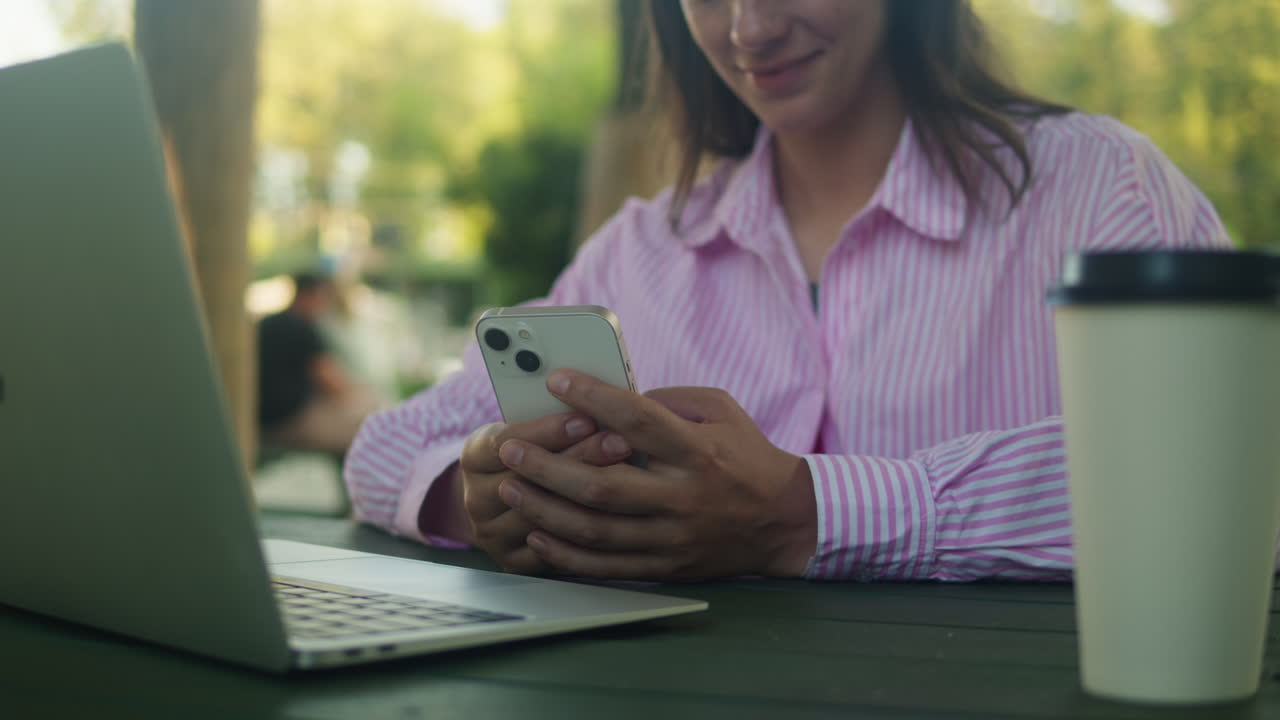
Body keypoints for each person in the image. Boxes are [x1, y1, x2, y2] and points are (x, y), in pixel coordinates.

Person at [345, 0, 1228, 581]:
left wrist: (807, 512)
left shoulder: (1096, 188)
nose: (749, 28)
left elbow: (1227, 470)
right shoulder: (643, 253)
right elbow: (384, 448)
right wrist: (481, 498)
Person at [258, 272, 377, 458]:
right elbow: (331, 382)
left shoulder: (268, 323)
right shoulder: (302, 328)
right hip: (287, 422)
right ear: (311, 295)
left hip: (265, 419)